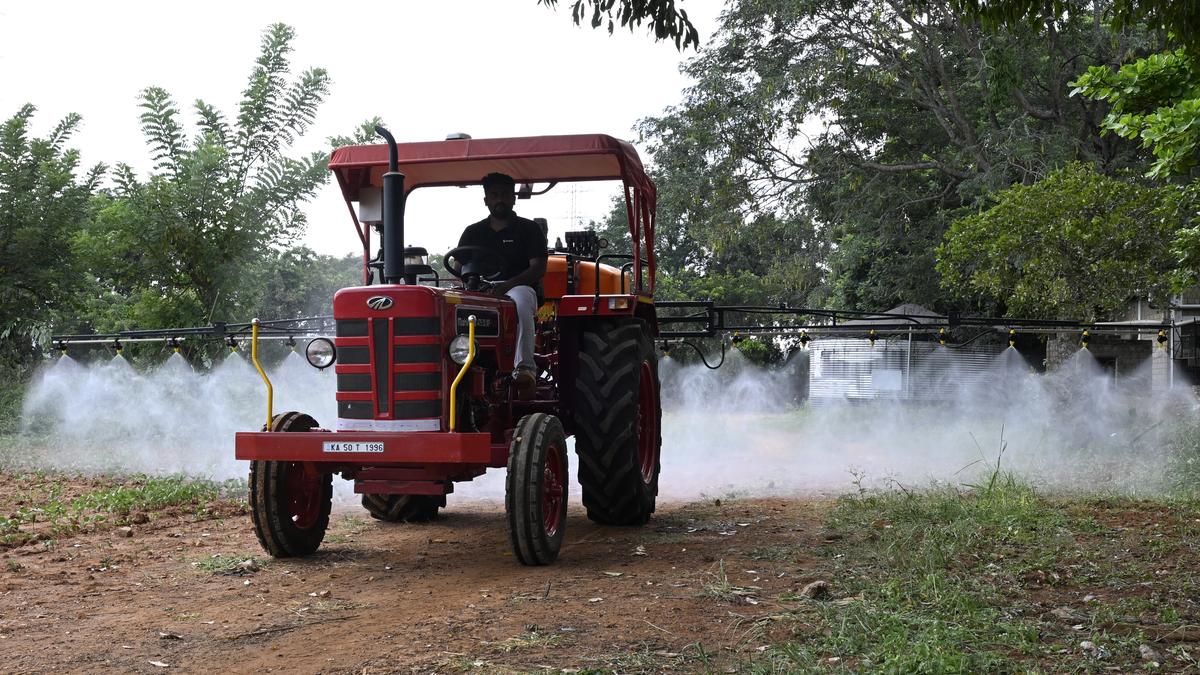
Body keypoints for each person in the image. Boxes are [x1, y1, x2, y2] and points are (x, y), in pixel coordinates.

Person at [457, 172, 547, 399]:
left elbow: (537, 268)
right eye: (494, 195)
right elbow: (458, 265)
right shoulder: (472, 232)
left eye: (505, 195)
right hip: (479, 287)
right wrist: (470, 284)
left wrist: (507, 285)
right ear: (486, 200)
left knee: (522, 299)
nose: (500, 200)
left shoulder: (528, 229)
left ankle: (524, 369)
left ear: (513, 198)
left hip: (518, 285)